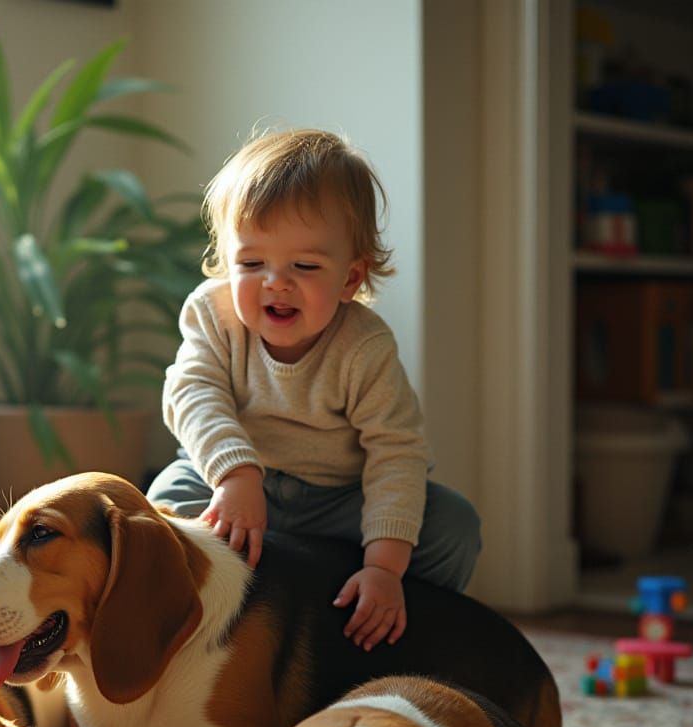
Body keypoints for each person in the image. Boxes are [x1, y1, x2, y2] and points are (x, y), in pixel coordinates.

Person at [146, 127, 481, 651]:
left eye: (304, 266)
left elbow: (397, 454)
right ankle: (187, 638)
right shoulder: (213, 313)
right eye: (252, 264)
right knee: (163, 506)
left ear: (351, 279)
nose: (276, 282)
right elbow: (191, 392)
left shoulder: (364, 347)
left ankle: (387, 626)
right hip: (230, 477)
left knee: (453, 525)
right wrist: (235, 472)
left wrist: (385, 567)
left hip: (338, 498)